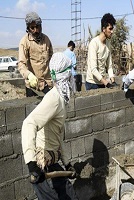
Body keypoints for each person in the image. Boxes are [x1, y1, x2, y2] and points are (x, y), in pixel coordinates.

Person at [21, 52, 78, 200]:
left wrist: (67, 163)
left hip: (53, 163)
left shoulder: (61, 97)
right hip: (42, 168)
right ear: (66, 75)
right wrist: (31, 165)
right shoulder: (53, 98)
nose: (73, 75)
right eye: (70, 70)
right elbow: (29, 123)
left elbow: (57, 134)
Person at [18, 11, 53, 97]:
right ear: (28, 28)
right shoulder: (24, 42)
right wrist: (29, 75)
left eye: (37, 27)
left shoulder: (46, 40)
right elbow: (21, 64)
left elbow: (52, 58)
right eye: (32, 28)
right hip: (33, 86)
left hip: (47, 84)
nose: (36, 30)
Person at [85, 13, 117, 90]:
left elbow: (109, 66)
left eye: (112, 29)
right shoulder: (94, 43)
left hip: (102, 83)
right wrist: (106, 83)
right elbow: (93, 69)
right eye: (110, 29)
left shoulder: (108, 44)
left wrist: (113, 81)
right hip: (92, 84)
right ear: (103, 29)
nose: (112, 31)